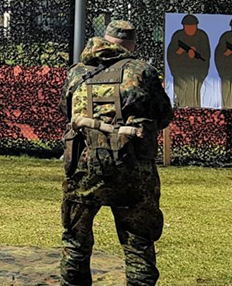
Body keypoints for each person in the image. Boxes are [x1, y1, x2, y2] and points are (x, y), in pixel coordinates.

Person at [59, 20, 173, 286]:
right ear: (131, 45)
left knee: (76, 241)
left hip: (84, 166)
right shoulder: (142, 71)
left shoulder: (77, 72)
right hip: (133, 169)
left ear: (105, 39)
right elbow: (163, 114)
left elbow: (65, 110)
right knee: (138, 243)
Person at [166, 14, 210, 107]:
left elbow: (206, 55)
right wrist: (179, 52)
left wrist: (195, 52)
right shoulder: (178, 36)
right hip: (180, 74)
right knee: (181, 98)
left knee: (194, 98)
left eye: (192, 27)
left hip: (196, 74)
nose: (190, 30)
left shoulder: (202, 36)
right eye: (188, 27)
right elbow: (170, 55)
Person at [214, 16, 232, 109]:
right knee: (227, 94)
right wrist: (226, 54)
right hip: (226, 71)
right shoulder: (226, 37)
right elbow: (218, 54)